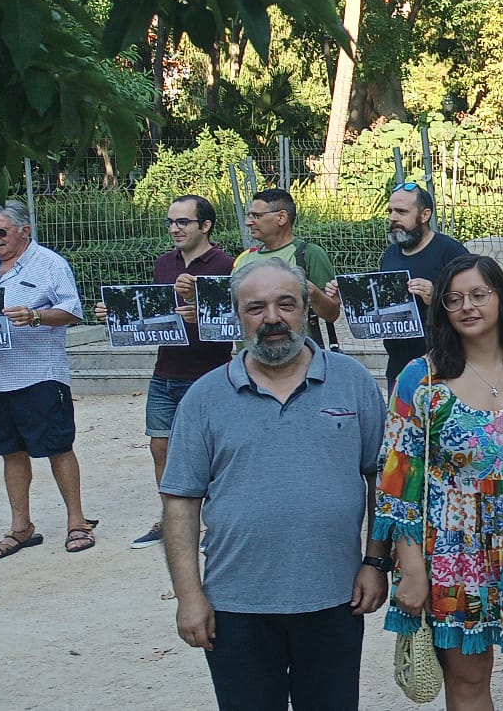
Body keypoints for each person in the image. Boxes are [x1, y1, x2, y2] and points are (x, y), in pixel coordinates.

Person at [158, 257, 390, 709]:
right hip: (236, 602)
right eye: (255, 308)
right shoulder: (205, 397)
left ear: (306, 308)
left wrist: (375, 562)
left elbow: (380, 479)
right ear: (236, 316)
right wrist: (189, 596)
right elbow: (180, 504)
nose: (272, 319)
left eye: (286, 304)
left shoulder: (354, 383)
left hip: (334, 596)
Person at [376, 253, 503, 709]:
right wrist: (410, 567)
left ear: (501, 298)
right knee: (468, 683)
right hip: (454, 550)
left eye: (478, 294)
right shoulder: (422, 378)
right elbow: (398, 480)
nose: (467, 306)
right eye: (453, 299)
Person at [93, 195, 236, 550]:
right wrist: (117, 315)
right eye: (171, 222)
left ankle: (216, 524)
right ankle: (173, 519)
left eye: (183, 222)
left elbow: (237, 319)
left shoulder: (228, 265)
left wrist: (201, 307)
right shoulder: (163, 263)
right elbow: (156, 314)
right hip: (165, 371)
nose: (175, 228)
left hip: (209, 371)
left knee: (213, 452)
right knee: (160, 446)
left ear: (205, 226)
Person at [0, 200, 95, 561]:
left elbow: (73, 311)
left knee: (57, 447)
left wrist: (36, 316)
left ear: (24, 231)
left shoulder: (50, 263)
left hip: (39, 374)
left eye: (0, 231)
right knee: (10, 451)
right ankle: (21, 527)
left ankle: (77, 522)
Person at [375, 183, 468, 388]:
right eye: (390, 211)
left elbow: (476, 303)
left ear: (425, 215)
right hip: (399, 371)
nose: (392, 218)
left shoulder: (451, 252)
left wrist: (437, 297)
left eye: (401, 212)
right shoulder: (391, 254)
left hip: (445, 370)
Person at [234, 188, 341, 336]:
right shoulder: (243, 259)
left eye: (256, 216)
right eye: (249, 215)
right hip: (249, 355)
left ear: (281, 217)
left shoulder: (308, 254)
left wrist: (312, 292)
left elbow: (332, 314)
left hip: (296, 354)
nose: (248, 222)